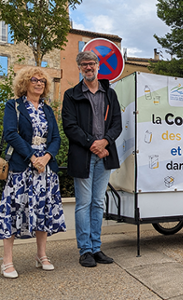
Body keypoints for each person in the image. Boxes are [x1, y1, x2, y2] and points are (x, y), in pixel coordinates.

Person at [0, 66, 66, 279]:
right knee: (13, 211)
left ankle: (41, 255)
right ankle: (7, 261)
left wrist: (46, 158)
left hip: (44, 170)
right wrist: (32, 157)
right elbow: (10, 133)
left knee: (43, 210)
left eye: (43, 81)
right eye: (34, 80)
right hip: (21, 167)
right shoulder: (14, 106)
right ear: (24, 83)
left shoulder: (47, 109)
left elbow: (56, 137)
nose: (39, 83)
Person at [62, 51, 122, 267]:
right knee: (83, 204)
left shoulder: (109, 93)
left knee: (97, 203)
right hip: (83, 156)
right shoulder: (71, 95)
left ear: (98, 66)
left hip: (105, 155)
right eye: (84, 65)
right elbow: (70, 127)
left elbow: (117, 123)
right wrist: (93, 145)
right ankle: (85, 250)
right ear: (79, 68)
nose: (88, 68)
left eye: (92, 64)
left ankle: (96, 248)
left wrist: (105, 141)